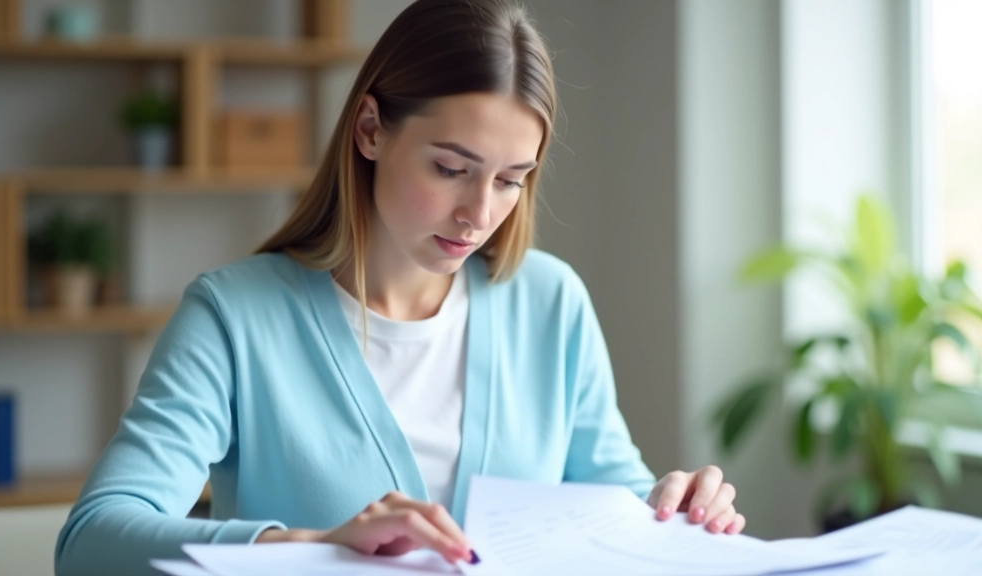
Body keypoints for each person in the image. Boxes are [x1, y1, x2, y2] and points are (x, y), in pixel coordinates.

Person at [54, 0, 744, 573]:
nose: (479, 213)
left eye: (511, 180)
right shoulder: (235, 317)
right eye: (451, 168)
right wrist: (308, 547)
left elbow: (611, 501)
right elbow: (91, 541)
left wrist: (669, 510)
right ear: (370, 130)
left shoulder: (550, 302)